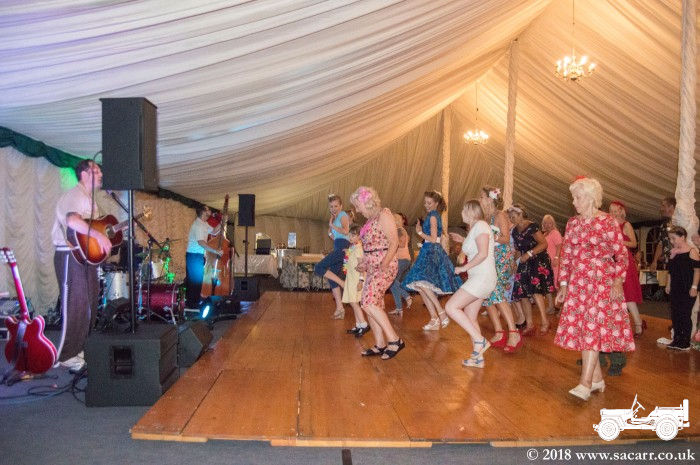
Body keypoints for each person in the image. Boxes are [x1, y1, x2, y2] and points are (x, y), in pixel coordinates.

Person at [555, 177, 635, 401]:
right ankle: (597, 380)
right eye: (573, 197)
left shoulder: (607, 221)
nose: (574, 202)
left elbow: (621, 255)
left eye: (577, 197)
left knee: (591, 329)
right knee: (585, 330)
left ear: (591, 198)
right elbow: (566, 256)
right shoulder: (572, 223)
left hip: (601, 282)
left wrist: (618, 280)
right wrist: (563, 284)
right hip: (579, 283)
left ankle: (585, 383)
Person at [52, 160, 113, 371]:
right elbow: (72, 221)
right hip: (70, 256)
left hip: (84, 258)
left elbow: (88, 232)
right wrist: (99, 236)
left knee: (89, 304)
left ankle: (78, 349)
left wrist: (102, 239)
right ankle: (65, 355)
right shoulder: (75, 194)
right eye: (96, 170)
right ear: (84, 174)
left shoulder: (90, 199)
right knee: (76, 305)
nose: (101, 174)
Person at [351, 186, 404, 360]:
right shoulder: (370, 220)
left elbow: (394, 242)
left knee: (368, 303)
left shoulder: (384, 215)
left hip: (385, 266)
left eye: (358, 205)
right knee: (374, 304)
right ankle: (380, 344)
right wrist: (364, 264)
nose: (357, 210)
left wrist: (384, 264)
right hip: (373, 267)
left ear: (367, 202)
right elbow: (371, 248)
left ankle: (395, 340)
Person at [446, 200, 497, 368]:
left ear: (470, 211)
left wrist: (463, 268)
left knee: (451, 307)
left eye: (463, 209)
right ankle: (478, 357)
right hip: (480, 277)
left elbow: (482, 253)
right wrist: (463, 239)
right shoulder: (476, 228)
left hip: (482, 277)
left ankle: (480, 340)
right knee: (470, 316)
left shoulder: (481, 225)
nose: (461, 212)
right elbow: (476, 247)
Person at [402, 191, 462, 330]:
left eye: (429, 203)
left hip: (431, 251)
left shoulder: (433, 216)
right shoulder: (432, 216)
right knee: (420, 285)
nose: (426, 205)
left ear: (436, 203)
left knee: (422, 283)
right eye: (425, 202)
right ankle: (434, 318)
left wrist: (419, 232)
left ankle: (441, 313)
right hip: (427, 250)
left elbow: (434, 239)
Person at [477, 186, 521, 352]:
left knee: (496, 293)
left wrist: (489, 236)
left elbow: (505, 238)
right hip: (490, 257)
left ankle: (514, 333)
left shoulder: (500, 215)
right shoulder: (485, 217)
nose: (480, 200)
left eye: (482, 197)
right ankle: (499, 332)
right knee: (487, 294)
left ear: (490, 199)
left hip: (501, 257)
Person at [507, 204, 555, 336]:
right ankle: (529, 324)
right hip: (524, 261)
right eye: (510, 217)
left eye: (513, 216)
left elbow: (544, 244)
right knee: (522, 292)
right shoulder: (514, 231)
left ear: (521, 214)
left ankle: (545, 322)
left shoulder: (532, 226)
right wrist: (514, 262)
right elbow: (518, 250)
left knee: (535, 291)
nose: (511, 219)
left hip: (537, 260)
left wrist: (529, 254)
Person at [608, 201, 645, 337]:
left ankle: (638, 324)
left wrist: (619, 242)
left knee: (628, 294)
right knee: (613, 295)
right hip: (611, 261)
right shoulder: (609, 225)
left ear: (621, 211)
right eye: (611, 210)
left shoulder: (626, 224)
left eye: (615, 210)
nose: (613, 213)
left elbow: (634, 244)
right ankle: (618, 326)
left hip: (625, 261)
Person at [314, 194, 351, 319]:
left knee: (319, 267)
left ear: (341, 206)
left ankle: (342, 283)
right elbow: (337, 237)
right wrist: (330, 232)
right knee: (331, 278)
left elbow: (346, 231)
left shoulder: (343, 215)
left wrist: (332, 225)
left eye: (336, 206)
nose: (333, 208)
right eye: (331, 206)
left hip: (342, 247)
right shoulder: (335, 218)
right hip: (338, 246)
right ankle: (340, 309)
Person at [665, 226, 700, 351]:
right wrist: (668, 284)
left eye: (673, 238)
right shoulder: (673, 252)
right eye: (670, 239)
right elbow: (670, 271)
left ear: (682, 237)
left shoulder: (692, 251)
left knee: (685, 314)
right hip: (676, 288)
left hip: (688, 288)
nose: (671, 241)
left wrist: (694, 287)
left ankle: (685, 342)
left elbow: (697, 271)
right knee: (675, 314)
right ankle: (677, 339)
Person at [184, 205, 224, 311]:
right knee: (195, 281)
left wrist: (222, 222)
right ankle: (191, 305)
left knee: (198, 280)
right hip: (193, 255)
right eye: (208, 209)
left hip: (198, 255)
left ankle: (194, 303)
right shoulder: (198, 225)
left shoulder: (204, 223)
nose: (210, 211)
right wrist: (215, 251)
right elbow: (201, 242)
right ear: (203, 212)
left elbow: (214, 231)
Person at [343, 225, 370, 337]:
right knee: (353, 302)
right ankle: (358, 325)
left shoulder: (359, 249)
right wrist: (347, 251)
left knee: (354, 302)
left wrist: (361, 281)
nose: (351, 237)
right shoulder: (353, 247)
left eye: (353, 235)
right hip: (351, 278)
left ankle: (364, 324)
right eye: (350, 235)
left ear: (360, 236)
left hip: (356, 279)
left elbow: (361, 266)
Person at [388, 213, 413, 315]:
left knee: (391, 280)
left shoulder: (399, 230)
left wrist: (390, 242)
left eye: (392, 219)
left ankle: (407, 296)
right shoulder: (400, 230)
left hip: (402, 260)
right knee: (393, 284)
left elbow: (401, 244)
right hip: (402, 259)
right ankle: (399, 309)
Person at [541, 214, 563, 315]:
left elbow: (559, 246)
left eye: (550, 223)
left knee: (557, 285)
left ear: (553, 223)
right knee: (548, 286)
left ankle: (561, 307)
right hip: (547, 263)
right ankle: (551, 306)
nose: (547, 225)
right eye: (545, 223)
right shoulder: (545, 234)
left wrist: (556, 258)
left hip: (555, 262)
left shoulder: (555, 233)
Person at [650, 197, 676, 271]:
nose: (661, 209)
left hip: (679, 261)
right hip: (667, 264)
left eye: (663, 206)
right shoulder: (664, 224)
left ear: (671, 207)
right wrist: (655, 261)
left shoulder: (680, 222)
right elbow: (660, 244)